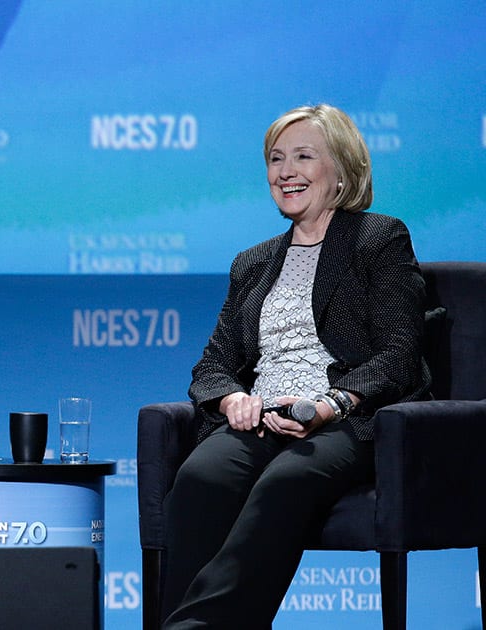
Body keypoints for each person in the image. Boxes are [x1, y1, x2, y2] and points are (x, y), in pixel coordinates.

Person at [160, 104, 431, 628]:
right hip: (262, 417)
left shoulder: (378, 239)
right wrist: (231, 397)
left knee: (287, 479)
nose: (285, 171)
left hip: (345, 419)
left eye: (303, 156)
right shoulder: (253, 261)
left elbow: (399, 352)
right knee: (199, 477)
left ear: (343, 171)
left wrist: (329, 404)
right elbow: (212, 363)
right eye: (276, 159)